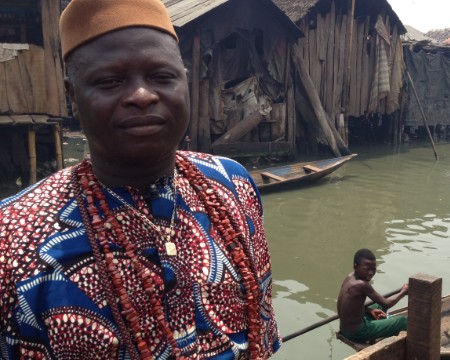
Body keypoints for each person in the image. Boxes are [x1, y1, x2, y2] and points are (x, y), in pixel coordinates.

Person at [0, 0, 279, 358]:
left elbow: (261, 325)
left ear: (185, 79)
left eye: (161, 77)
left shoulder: (232, 184)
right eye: (110, 81)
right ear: (73, 96)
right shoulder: (12, 236)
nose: (142, 96)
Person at [337, 249, 409, 343]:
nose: (371, 273)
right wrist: (404, 291)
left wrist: (370, 310)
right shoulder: (362, 284)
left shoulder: (350, 277)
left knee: (379, 305)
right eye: (366, 269)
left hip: (346, 328)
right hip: (357, 333)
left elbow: (352, 306)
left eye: (373, 269)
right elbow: (387, 304)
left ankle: (376, 321)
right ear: (355, 266)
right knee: (401, 322)